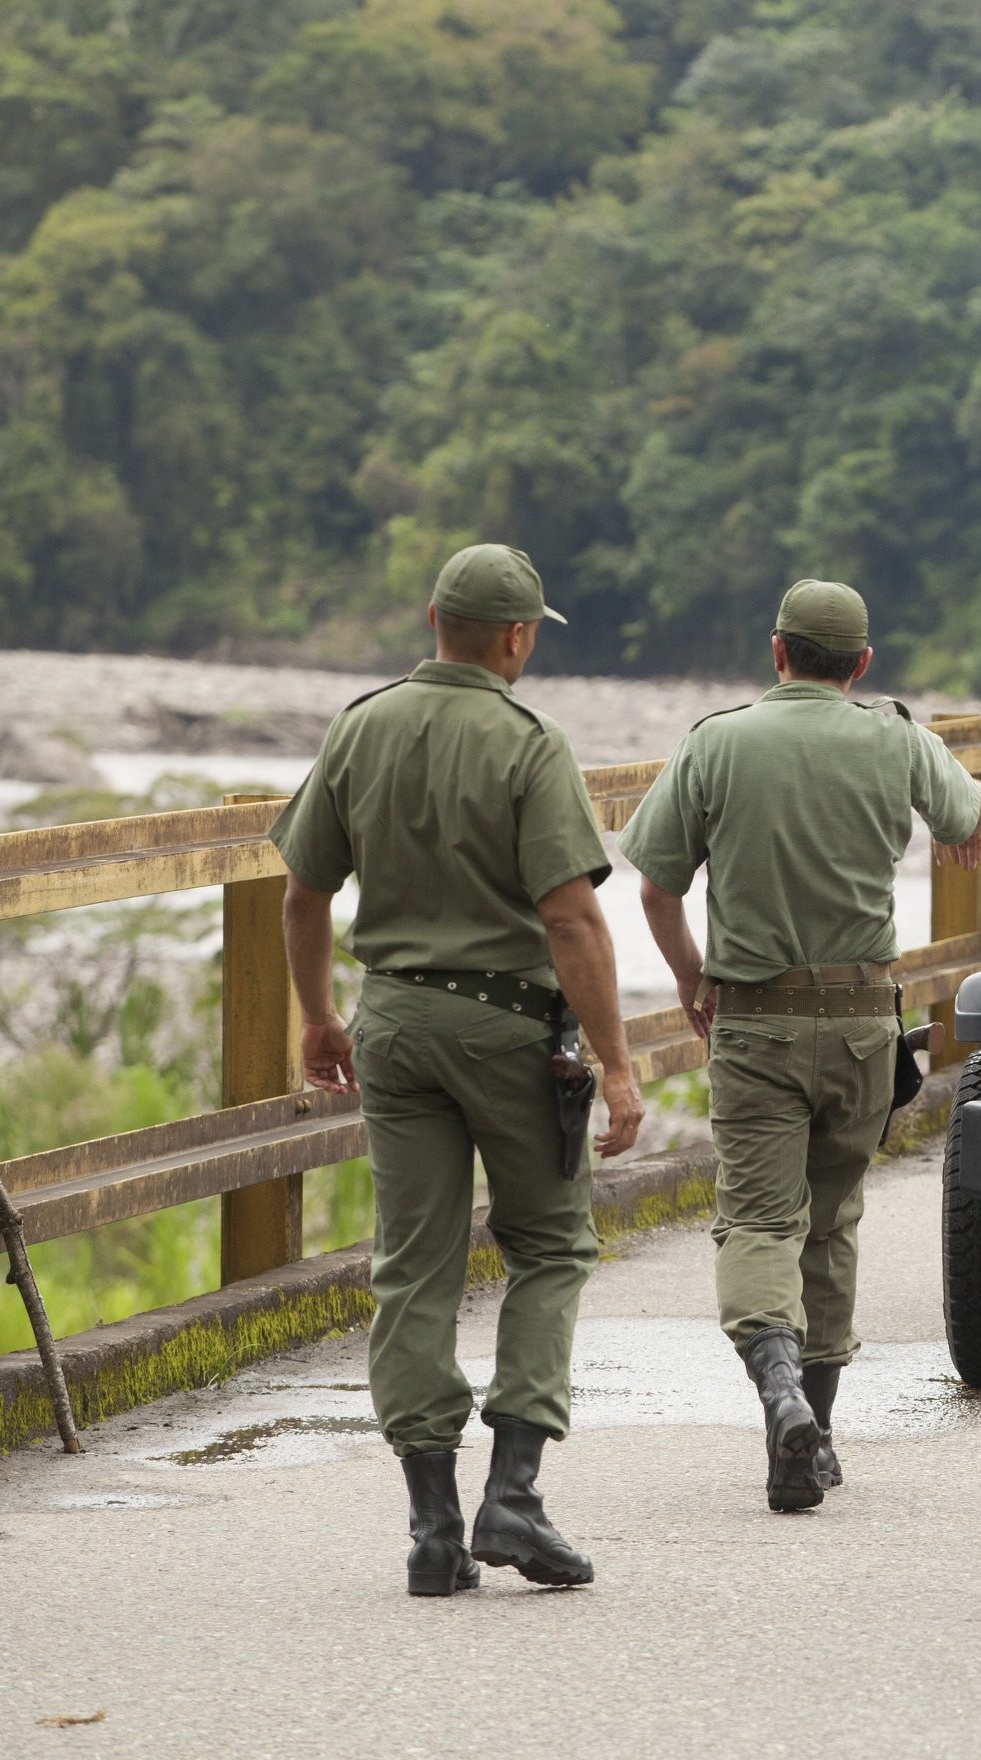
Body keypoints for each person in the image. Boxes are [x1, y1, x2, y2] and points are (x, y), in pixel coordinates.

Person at [273, 544, 646, 1598]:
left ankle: (433, 1529)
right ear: (519, 636)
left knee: (413, 1265)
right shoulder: (529, 745)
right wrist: (616, 1065)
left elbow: (301, 894)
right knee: (550, 1242)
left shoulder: (360, 725)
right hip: (506, 1029)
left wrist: (315, 1015)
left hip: (389, 1021)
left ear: (435, 616)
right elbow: (570, 914)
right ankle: (513, 1496)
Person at [623, 579, 981, 1513]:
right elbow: (966, 814)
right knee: (830, 1221)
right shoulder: (897, 738)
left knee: (756, 1221)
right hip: (865, 1024)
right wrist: (963, 822)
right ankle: (816, 1433)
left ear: (776, 650)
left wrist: (688, 973)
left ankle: (778, 1393)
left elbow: (656, 887)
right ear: (861, 664)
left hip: (755, 1021)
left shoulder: (717, 742)